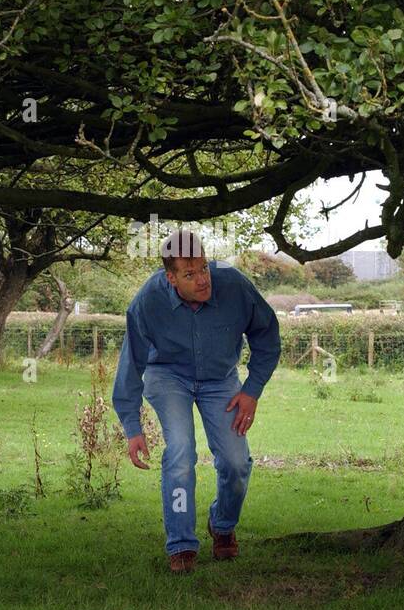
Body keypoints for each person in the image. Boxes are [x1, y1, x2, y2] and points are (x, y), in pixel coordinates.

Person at [112, 230, 281, 573]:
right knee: (180, 453)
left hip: (221, 380)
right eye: (189, 274)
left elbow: (267, 334)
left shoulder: (234, 285)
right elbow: (132, 364)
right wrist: (132, 427)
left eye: (203, 268)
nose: (203, 280)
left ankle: (222, 526)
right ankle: (181, 545)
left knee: (236, 462)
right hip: (168, 376)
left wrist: (252, 390)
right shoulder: (148, 301)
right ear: (170, 277)